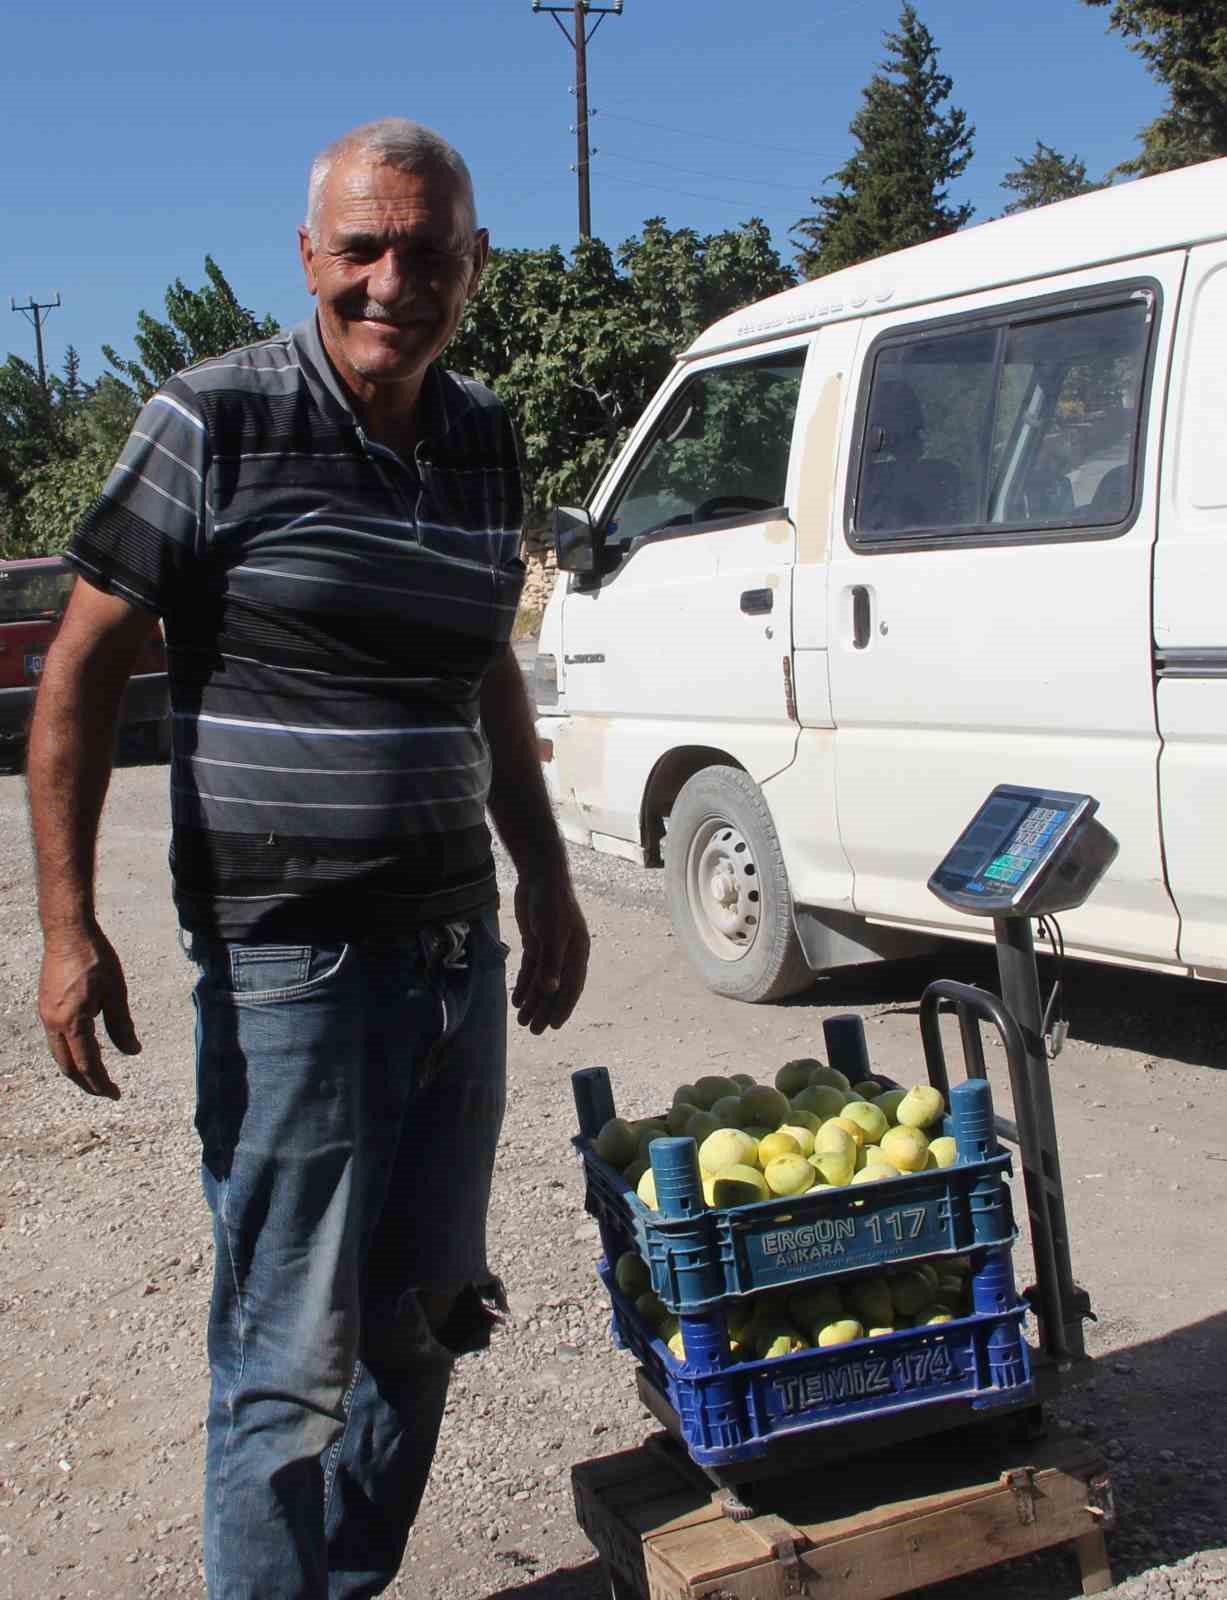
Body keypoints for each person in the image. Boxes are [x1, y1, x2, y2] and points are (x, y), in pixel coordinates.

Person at [26, 118, 589, 1599]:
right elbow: (79, 674)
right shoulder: (210, 420)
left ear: (474, 264)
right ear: (310, 257)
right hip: (294, 961)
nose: (393, 279)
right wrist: (68, 927)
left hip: (455, 948)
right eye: (364, 247)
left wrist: (545, 870)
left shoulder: (482, 433)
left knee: (428, 1316)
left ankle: (333, 1582)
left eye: (428, 249)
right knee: (286, 1360)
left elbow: (487, 671)